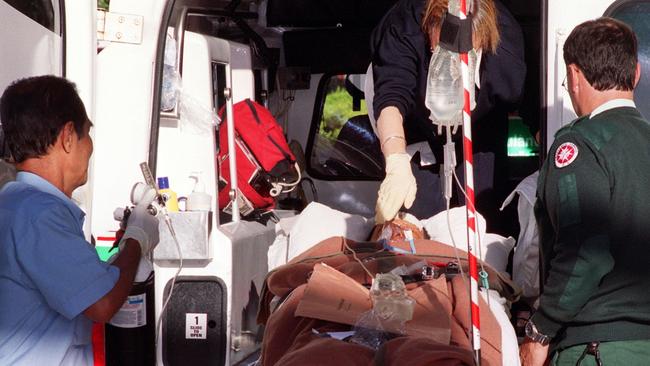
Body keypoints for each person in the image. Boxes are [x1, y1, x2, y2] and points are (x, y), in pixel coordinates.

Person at [0, 75, 160, 365]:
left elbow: (82, 282)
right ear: (68, 136)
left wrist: (126, 246)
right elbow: (102, 304)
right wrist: (137, 239)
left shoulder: (16, 205)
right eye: (88, 133)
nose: (90, 146)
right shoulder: (39, 215)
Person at [520, 17, 650, 365]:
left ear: (575, 76)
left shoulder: (581, 144)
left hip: (599, 348)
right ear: (635, 73)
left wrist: (540, 330)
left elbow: (584, 252)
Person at [371, 0, 526, 229]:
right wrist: (395, 161)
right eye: (440, 46)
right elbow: (391, 97)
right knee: (414, 219)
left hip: (481, 130)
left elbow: (530, 104)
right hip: (416, 126)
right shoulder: (405, 27)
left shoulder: (506, 52)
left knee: (483, 220)